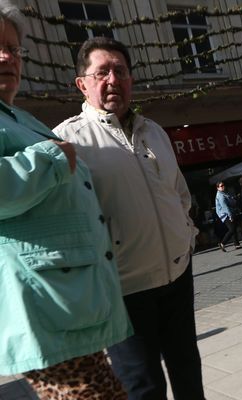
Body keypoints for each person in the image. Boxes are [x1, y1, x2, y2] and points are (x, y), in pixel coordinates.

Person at [54, 37, 205, 399]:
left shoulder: (152, 131)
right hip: (123, 293)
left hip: (177, 277)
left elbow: (179, 193)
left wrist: (187, 234)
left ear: (131, 79)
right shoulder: (68, 140)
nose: (112, 80)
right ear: (82, 83)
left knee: (188, 375)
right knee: (143, 388)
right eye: (102, 72)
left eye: (120, 71)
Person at [0, 3, 131, 397]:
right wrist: (53, 156)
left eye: (13, 47)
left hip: (67, 305)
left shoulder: (17, 117)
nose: (7, 56)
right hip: (44, 308)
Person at [215, 181, 241, 251]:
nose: (223, 186)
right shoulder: (220, 195)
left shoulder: (223, 193)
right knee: (232, 229)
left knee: (234, 228)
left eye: (223, 185)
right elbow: (224, 206)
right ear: (218, 188)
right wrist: (230, 215)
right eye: (221, 186)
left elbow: (230, 200)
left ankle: (237, 244)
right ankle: (222, 243)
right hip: (225, 214)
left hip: (227, 213)